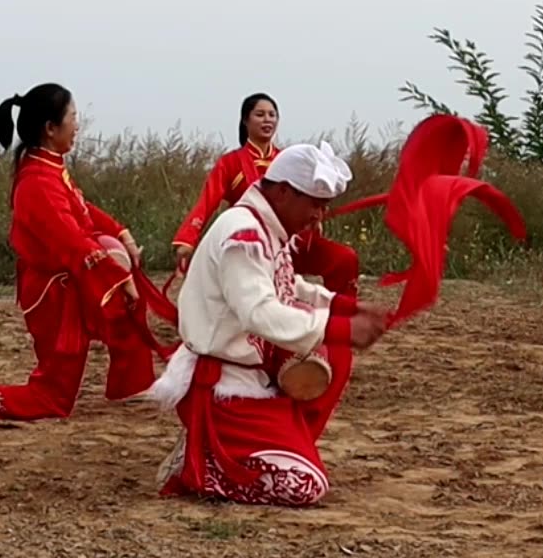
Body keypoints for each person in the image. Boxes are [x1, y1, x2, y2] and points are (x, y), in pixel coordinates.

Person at [148, 142, 388, 506]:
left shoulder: (265, 227)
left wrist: (344, 307)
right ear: (284, 192)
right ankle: (204, 465)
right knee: (306, 485)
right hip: (223, 384)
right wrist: (338, 326)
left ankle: (249, 447)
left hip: (249, 373)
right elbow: (258, 311)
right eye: (315, 204)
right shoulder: (242, 232)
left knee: (335, 356)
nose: (319, 217)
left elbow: (289, 287)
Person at [0, 84, 158, 419]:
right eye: (74, 118)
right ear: (51, 128)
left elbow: (80, 206)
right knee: (52, 400)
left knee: (126, 312)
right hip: (53, 297)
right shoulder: (36, 182)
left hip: (68, 283)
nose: (78, 126)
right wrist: (118, 277)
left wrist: (120, 233)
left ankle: (130, 386)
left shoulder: (49, 167)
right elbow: (73, 241)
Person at [173, 93, 359, 296]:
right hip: (253, 245)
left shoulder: (291, 161)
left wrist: (316, 217)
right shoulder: (231, 163)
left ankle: (345, 317)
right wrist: (187, 240)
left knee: (344, 258)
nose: (267, 119)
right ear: (245, 120)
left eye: (272, 115)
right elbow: (208, 201)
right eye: (260, 114)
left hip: (295, 242)